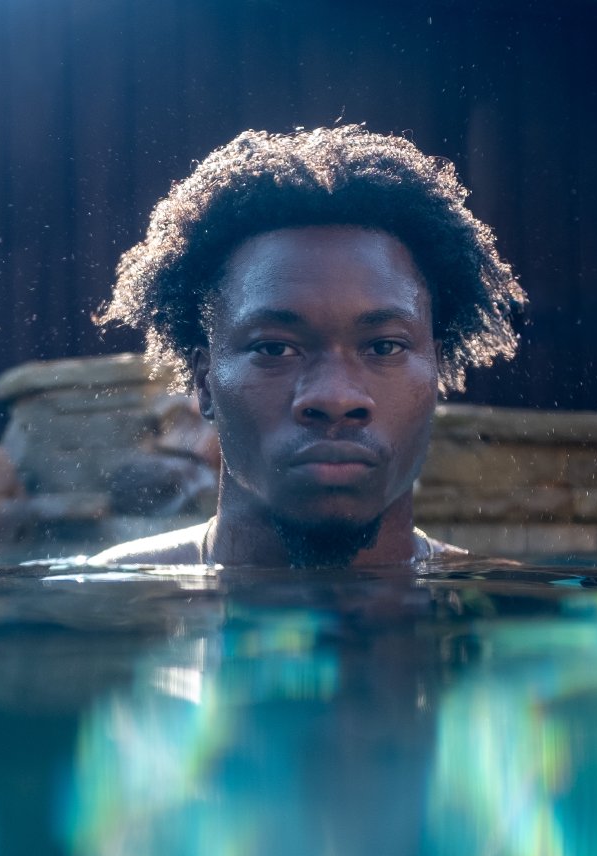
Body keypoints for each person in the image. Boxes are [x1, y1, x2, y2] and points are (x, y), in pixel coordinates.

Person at [90, 125, 526, 568]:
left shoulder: (524, 625)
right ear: (205, 383)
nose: (334, 398)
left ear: (435, 368)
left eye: (384, 347)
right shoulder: (103, 615)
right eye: (275, 349)